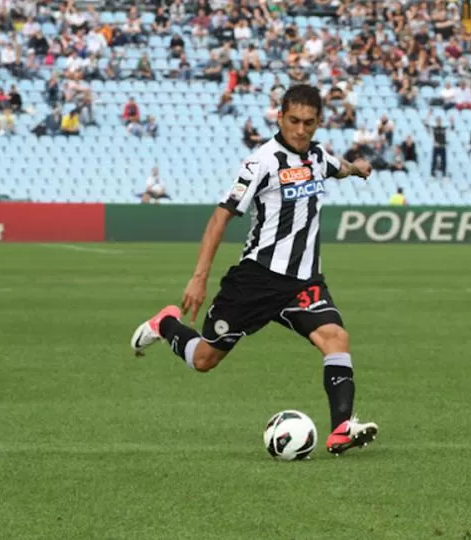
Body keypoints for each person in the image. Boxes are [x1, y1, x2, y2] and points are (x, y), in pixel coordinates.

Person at [130, 84, 379, 456]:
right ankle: (165, 324)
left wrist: (357, 170)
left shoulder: (318, 157)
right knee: (204, 360)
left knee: (335, 338)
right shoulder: (261, 163)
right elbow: (220, 219)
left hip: (304, 282)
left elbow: (337, 167)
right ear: (279, 117)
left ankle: (341, 428)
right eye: (293, 120)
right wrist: (198, 279)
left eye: (309, 122)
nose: (300, 129)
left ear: (318, 123)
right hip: (255, 281)